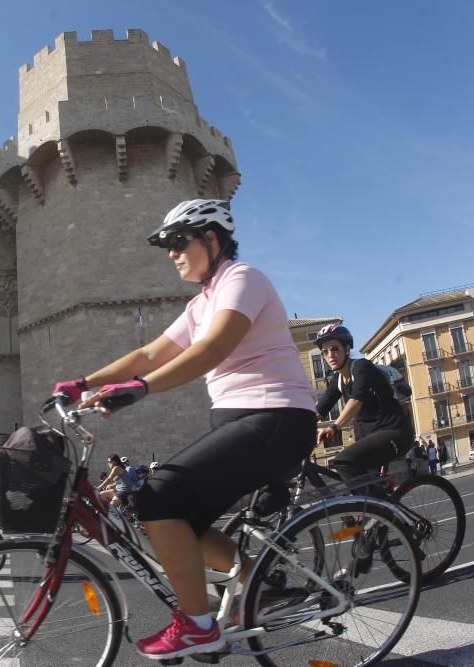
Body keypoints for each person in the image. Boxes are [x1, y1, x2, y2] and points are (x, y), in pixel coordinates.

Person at [53, 199, 317, 660]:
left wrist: (139, 389)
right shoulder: (202, 303)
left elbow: (214, 348)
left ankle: (197, 626)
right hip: (243, 419)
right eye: (167, 246)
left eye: (179, 242)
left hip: (278, 416)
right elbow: (151, 353)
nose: (171, 253)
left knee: (158, 496)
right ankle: (258, 579)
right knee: (176, 520)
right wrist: (83, 383)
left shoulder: (242, 279)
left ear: (212, 240)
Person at [315, 323, 415, 491]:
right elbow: (319, 411)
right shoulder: (338, 381)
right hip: (370, 439)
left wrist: (334, 427)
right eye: (325, 352)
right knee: (358, 487)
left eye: (335, 349)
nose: (330, 355)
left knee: (343, 461)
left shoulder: (362, 367)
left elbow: (357, 400)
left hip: (395, 433)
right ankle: (378, 510)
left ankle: (377, 510)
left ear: (346, 349)